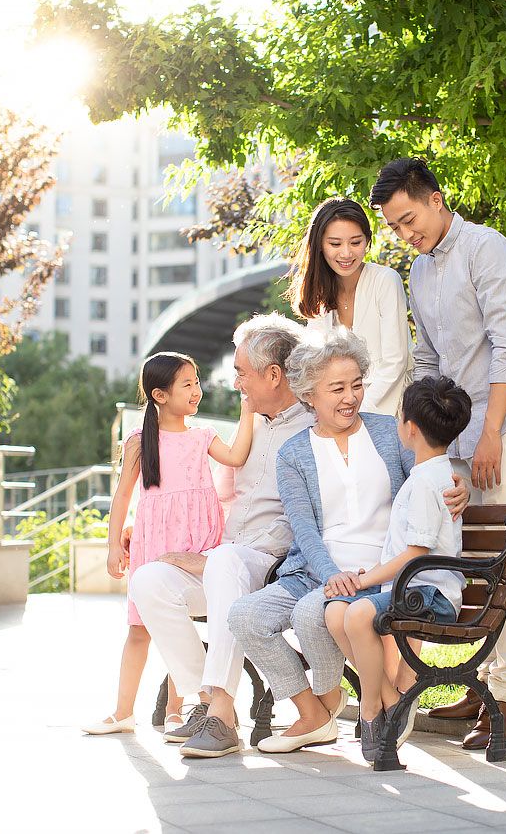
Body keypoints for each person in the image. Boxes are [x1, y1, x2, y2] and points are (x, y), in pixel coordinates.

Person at [370, 157, 506, 749]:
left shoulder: (489, 250)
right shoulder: (419, 271)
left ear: (437, 199)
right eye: (395, 227)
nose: (405, 234)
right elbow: (428, 362)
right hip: (455, 437)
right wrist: (425, 441)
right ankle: (482, 682)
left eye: (408, 219)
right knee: (466, 557)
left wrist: (491, 430)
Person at [227, 329, 468, 754]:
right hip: (317, 572)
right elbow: (303, 529)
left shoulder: (389, 432)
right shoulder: (293, 453)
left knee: (311, 613)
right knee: (245, 616)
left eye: (356, 385)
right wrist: (332, 575)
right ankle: (316, 712)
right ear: (309, 394)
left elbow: (435, 469)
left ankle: (352, 700)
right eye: (337, 388)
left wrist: (460, 486)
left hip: (382, 571)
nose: (350, 397)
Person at [125, 314, 311, 759]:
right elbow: (213, 497)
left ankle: (223, 713)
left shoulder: (311, 425)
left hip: (273, 566)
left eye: (242, 374)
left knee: (225, 562)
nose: (236, 384)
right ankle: (206, 702)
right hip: (227, 559)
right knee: (148, 580)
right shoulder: (251, 426)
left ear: (273, 374)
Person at [81, 352, 254, 736]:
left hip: (195, 543)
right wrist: (113, 545)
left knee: (184, 623)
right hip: (152, 542)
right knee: (139, 630)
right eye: (187, 384)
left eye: (196, 382)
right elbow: (122, 497)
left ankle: (180, 709)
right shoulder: (140, 442)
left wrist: (248, 411)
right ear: (160, 395)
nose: (197, 391)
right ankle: (123, 711)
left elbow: (237, 455)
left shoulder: (203, 437)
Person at [325, 376, 472, 762]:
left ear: (409, 428)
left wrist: (365, 579)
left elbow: (416, 554)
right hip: (414, 588)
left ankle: (372, 710)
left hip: (429, 593)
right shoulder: (430, 475)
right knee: (337, 612)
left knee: (356, 612)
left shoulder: (428, 481)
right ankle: (392, 699)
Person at [287, 197, 413, 417]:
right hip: (338, 413)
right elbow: (315, 367)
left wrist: (357, 414)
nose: (346, 253)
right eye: (335, 244)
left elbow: (396, 363)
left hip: (391, 410)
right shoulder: (319, 294)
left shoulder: (385, 280)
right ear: (319, 245)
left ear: (367, 241)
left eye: (355, 242)